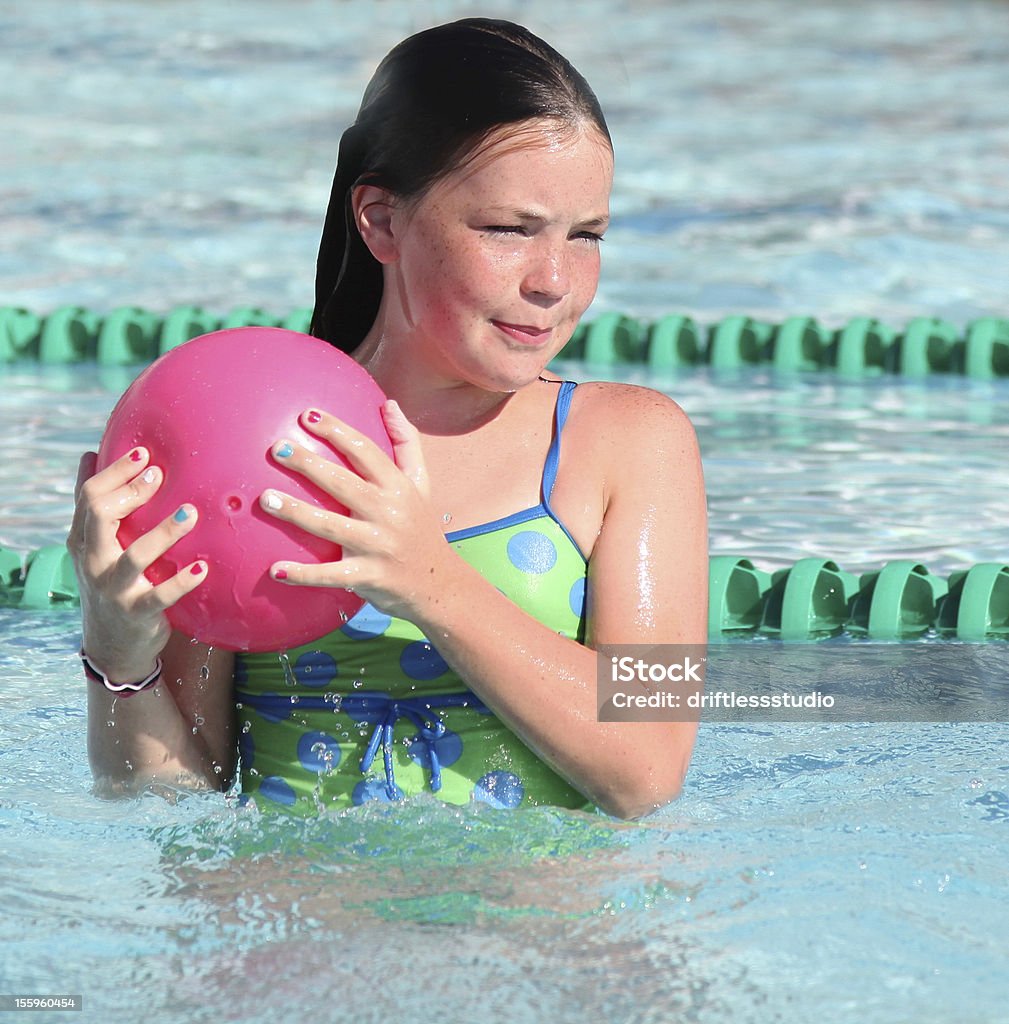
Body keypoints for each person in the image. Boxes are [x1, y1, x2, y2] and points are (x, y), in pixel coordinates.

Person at [69, 18, 708, 820]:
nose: (555, 282)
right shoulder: (243, 431)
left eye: (586, 236)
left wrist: (426, 580)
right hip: (293, 934)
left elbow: (645, 769)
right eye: (508, 230)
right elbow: (171, 798)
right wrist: (118, 654)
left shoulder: (626, 444)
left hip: (537, 941)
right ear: (379, 220)